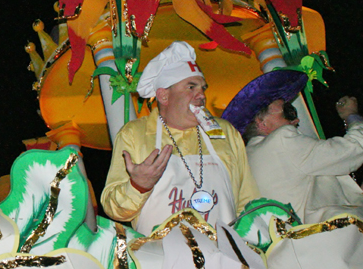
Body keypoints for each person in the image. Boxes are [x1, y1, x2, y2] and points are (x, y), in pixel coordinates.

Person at [101, 41, 259, 234]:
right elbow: (114, 209)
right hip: (159, 257)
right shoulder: (134, 134)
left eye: (203, 88)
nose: (201, 95)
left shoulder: (225, 132)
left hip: (224, 255)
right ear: (164, 96)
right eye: (190, 87)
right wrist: (138, 186)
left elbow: (248, 201)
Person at [223, 69, 363, 224]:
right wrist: (351, 116)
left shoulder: (246, 160)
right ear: (261, 122)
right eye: (287, 112)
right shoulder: (280, 142)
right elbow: (354, 148)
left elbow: (305, 197)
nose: (295, 120)